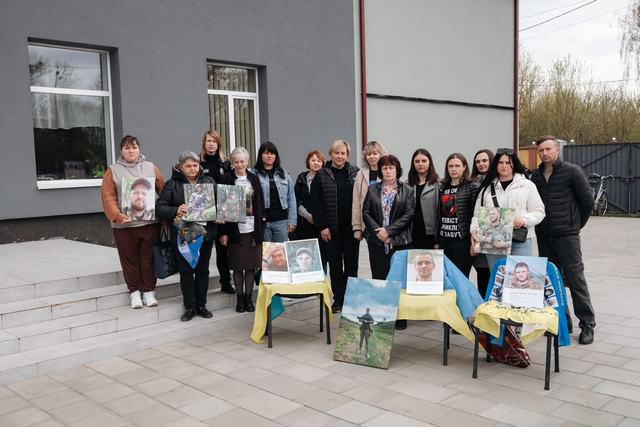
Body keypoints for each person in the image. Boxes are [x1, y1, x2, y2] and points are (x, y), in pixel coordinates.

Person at [531, 135, 595, 345]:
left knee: (576, 281)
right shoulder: (535, 176)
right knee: (552, 281)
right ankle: (562, 322)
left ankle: (587, 325)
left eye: (548, 149)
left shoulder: (572, 172)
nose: (544, 153)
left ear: (557, 150)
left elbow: (587, 202)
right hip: (544, 236)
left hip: (567, 237)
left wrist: (574, 226)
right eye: (541, 150)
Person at [101, 135, 164, 310]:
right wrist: (117, 215)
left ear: (139, 149)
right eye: (127, 148)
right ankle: (134, 292)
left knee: (148, 259)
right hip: (124, 226)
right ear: (121, 151)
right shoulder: (112, 171)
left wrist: (164, 212)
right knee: (130, 260)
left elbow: (163, 190)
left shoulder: (151, 167)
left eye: (134, 147)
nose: (131, 151)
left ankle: (149, 291)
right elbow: (108, 196)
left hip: (150, 224)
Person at [156, 151, 217, 321]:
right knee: (186, 271)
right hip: (183, 235)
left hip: (205, 234)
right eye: (188, 166)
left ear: (199, 166)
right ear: (181, 167)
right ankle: (190, 307)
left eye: (195, 165)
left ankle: (201, 305)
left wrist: (219, 215)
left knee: (203, 270)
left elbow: (221, 204)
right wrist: (176, 209)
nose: (192, 169)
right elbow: (160, 208)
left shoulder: (209, 182)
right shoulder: (172, 184)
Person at [471, 148, 545, 287]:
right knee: (498, 280)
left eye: (508, 162)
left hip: (519, 239)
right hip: (493, 240)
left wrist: (524, 220)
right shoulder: (487, 187)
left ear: (514, 164)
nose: (504, 166)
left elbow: (539, 211)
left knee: (520, 282)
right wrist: (474, 231)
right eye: (500, 162)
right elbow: (477, 214)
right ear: (495, 165)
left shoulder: (527, 185)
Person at [310, 140, 360, 313]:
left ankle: (351, 299)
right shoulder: (322, 174)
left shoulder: (355, 172)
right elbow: (315, 203)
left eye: (343, 153)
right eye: (336, 153)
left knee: (352, 265)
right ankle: (338, 299)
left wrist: (359, 226)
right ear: (330, 154)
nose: (339, 156)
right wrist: (322, 226)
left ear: (347, 155)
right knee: (335, 265)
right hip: (331, 230)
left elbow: (362, 199)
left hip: (352, 229)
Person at [219, 147, 265, 313]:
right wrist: (223, 232)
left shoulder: (254, 178)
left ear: (247, 161)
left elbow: (260, 203)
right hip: (235, 230)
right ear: (232, 162)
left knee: (251, 267)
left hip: (252, 229)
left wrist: (261, 228)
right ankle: (239, 300)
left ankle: (248, 298)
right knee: (238, 267)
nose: (239, 165)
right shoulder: (227, 178)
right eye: (236, 162)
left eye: (242, 161)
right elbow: (222, 207)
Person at [362, 154, 415, 280]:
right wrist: (379, 233)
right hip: (376, 241)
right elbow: (366, 212)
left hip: (400, 241)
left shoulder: (408, 190)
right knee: (379, 277)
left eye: (391, 168)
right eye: (385, 168)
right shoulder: (372, 189)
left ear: (397, 170)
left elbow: (409, 214)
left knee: (399, 278)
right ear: (380, 171)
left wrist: (388, 231)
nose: (388, 171)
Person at [200, 130, 235, 295]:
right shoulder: (198, 163)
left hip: (222, 215)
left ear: (218, 143)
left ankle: (225, 282)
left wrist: (223, 213)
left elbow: (230, 189)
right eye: (208, 141)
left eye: (214, 141)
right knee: (204, 252)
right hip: (204, 213)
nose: (211, 144)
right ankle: (201, 285)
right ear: (204, 143)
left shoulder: (226, 163)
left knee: (223, 250)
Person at [438, 153, 478, 278]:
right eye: (450, 166)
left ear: (464, 167)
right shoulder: (441, 187)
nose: (453, 169)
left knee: (460, 278)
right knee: (446, 278)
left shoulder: (472, 186)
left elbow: (475, 214)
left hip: (462, 241)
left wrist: (473, 242)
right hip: (444, 240)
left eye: (457, 166)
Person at [254, 141, 297, 242]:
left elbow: (291, 198)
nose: (269, 156)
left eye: (272, 153)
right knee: (266, 251)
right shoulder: (254, 174)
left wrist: (292, 220)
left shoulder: (284, 174)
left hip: (281, 222)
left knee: (280, 251)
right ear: (260, 156)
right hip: (262, 222)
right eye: (266, 153)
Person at [292, 150, 328, 271]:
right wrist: (307, 215)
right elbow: (296, 199)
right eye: (313, 160)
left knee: (322, 256)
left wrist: (319, 218)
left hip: (323, 224)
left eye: (319, 161)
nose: (316, 163)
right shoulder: (301, 178)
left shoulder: (327, 178)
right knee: (306, 255)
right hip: (305, 223)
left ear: (323, 163)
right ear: (308, 162)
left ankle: (323, 280)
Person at [470, 149, 495, 298]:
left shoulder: (498, 181)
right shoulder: (472, 183)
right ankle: (483, 308)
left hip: (495, 233)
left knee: (497, 274)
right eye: (478, 162)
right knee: (483, 273)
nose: (481, 164)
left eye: (484, 160)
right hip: (477, 232)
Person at [352, 141, 387, 241]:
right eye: (369, 154)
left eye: (375, 153)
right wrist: (357, 227)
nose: (372, 157)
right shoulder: (360, 174)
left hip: (384, 224)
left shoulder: (388, 171)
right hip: (366, 223)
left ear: (381, 154)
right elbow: (356, 202)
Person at [407, 149, 440, 250]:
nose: (420, 164)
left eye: (424, 161)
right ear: (413, 163)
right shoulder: (407, 184)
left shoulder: (438, 184)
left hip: (431, 235)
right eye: (417, 161)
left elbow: (440, 213)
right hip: (412, 233)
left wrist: (437, 239)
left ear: (430, 162)